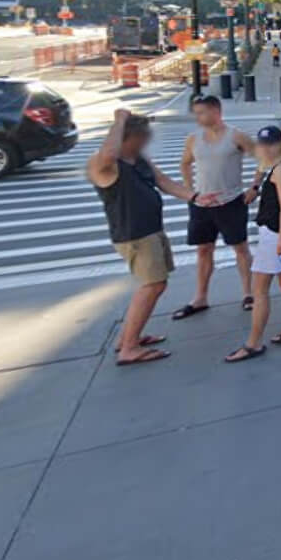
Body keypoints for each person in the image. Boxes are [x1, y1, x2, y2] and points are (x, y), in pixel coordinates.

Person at [87, 109, 202, 367]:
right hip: (134, 234)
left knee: (156, 284)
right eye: (142, 136)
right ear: (127, 136)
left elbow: (162, 181)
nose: (146, 141)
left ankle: (130, 337)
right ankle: (129, 347)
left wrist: (195, 197)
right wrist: (118, 120)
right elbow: (108, 153)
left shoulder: (137, 158)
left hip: (151, 229)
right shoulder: (104, 163)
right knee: (153, 285)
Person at [174, 95, 256, 318]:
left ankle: (248, 294)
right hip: (202, 204)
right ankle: (200, 297)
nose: (197, 117)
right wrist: (191, 192)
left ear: (215, 111)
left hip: (231, 202)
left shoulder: (236, 136)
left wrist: (254, 187)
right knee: (203, 249)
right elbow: (184, 163)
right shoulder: (193, 138)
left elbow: (263, 158)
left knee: (240, 248)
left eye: (201, 112)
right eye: (196, 113)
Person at [226, 125, 281, 361]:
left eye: (271, 144)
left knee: (260, 291)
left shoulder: (280, 170)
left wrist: (280, 238)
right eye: (263, 144)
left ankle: (253, 344)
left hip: (275, 235)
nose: (267, 149)